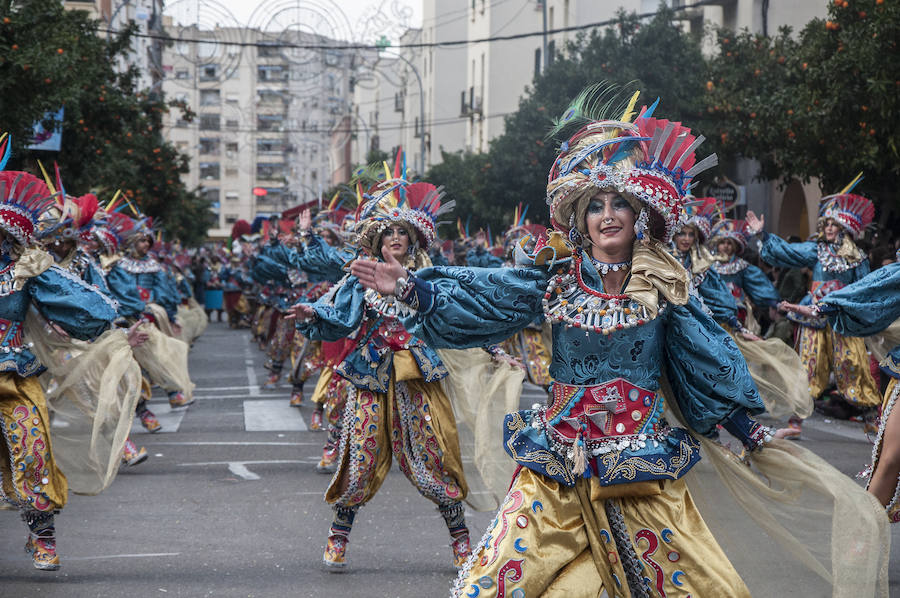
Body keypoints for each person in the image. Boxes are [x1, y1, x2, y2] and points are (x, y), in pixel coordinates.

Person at [288, 177, 473, 572]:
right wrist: (313, 314)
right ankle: (338, 538)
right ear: (376, 240)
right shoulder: (363, 279)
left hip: (418, 380)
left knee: (433, 460)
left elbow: (457, 320)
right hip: (371, 376)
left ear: (414, 240)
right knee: (361, 458)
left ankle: (461, 542)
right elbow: (338, 317)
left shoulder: (430, 280)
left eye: (402, 232)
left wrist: (494, 350)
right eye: (387, 231)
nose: (394, 237)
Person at [0, 167, 119, 570]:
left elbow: (96, 309)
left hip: (12, 378)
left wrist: (43, 270)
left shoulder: (24, 270)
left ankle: (42, 535)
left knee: (32, 451)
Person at [747, 183, 882, 432]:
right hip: (814, 318)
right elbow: (787, 252)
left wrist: (867, 318)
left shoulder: (858, 259)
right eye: (826, 224)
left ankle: (872, 416)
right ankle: (797, 419)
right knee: (809, 366)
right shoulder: (816, 251)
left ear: (845, 228)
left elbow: (866, 289)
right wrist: (763, 235)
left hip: (844, 319)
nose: (829, 228)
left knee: (854, 365)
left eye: (834, 224)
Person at [782, 250, 900, 520]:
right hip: (828, 324)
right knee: (891, 459)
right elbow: (872, 288)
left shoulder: (855, 255)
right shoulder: (821, 252)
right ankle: (861, 541)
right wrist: (823, 307)